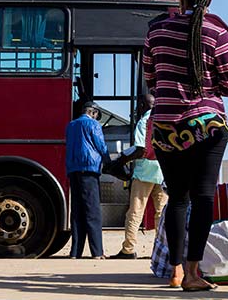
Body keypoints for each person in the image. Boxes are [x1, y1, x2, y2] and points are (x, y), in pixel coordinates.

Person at [143, 0, 228, 291]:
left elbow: (150, 78)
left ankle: (176, 271)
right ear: (210, 1)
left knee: (177, 198)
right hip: (207, 125)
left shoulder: (156, 31)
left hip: (167, 126)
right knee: (203, 198)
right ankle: (195, 273)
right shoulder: (218, 32)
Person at [110, 94, 168, 259]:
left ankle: (128, 249)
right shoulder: (163, 119)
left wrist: (121, 160)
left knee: (135, 211)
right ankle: (161, 250)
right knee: (161, 213)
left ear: (143, 105)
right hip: (163, 171)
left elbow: (140, 149)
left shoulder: (144, 121)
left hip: (145, 172)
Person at [65, 101, 111, 259]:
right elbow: (101, 146)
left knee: (77, 211)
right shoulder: (93, 125)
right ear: (94, 113)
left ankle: (75, 252)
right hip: (89, 169)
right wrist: (109, 162)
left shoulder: (71, 125)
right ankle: (97, 252)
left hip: (73, 170)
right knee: (92, 211)